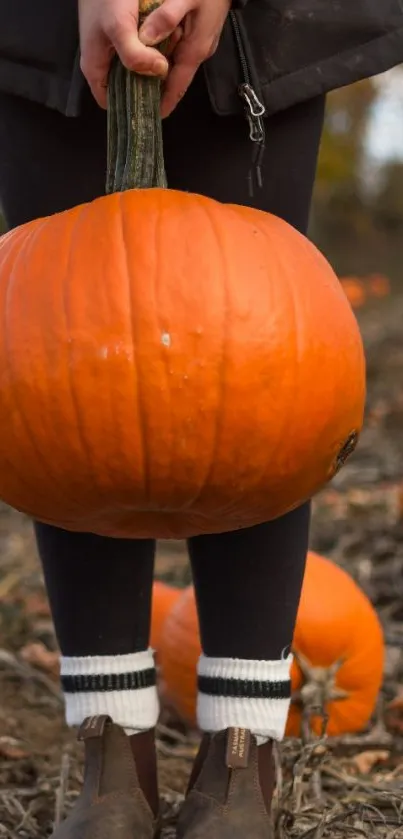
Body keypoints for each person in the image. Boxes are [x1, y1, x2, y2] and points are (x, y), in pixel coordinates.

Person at [0, 1, 401, 837]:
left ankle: (242, 749)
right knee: (67, 366)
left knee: (256, 370)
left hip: (259, 27)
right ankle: (111, 750)